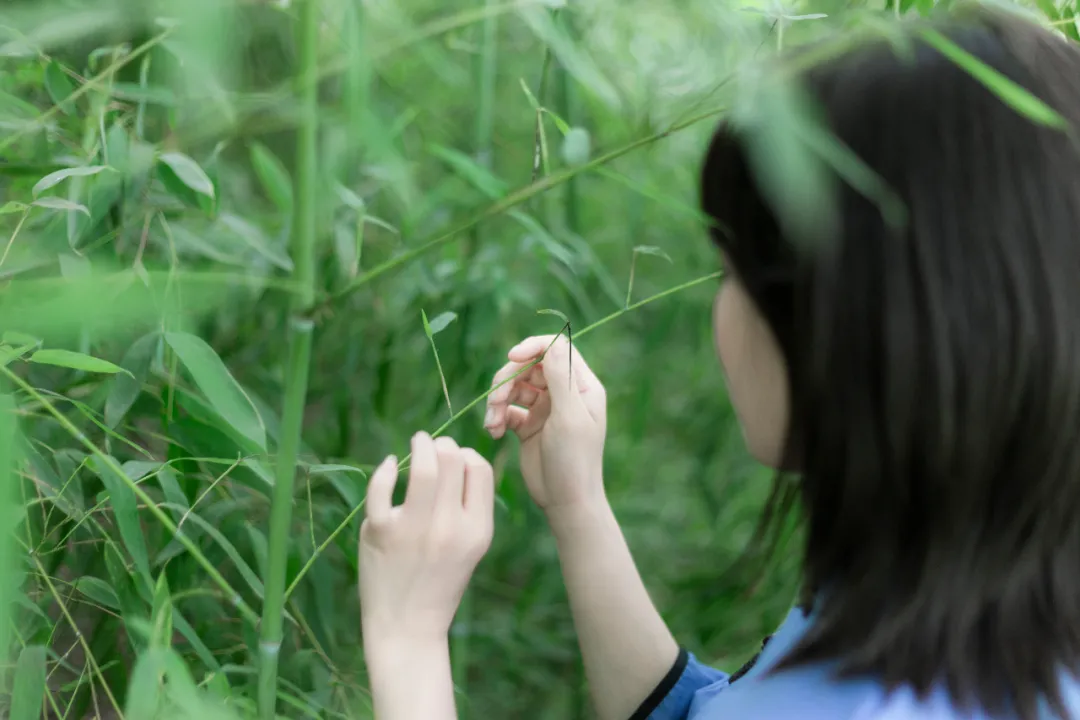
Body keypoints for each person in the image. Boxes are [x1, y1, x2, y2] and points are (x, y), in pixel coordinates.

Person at [356, 6, 1080, 720]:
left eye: (731, 270)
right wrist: (579, 508)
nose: (721, 311)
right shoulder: (972, 600)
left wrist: (407, 642)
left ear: (850, 327)